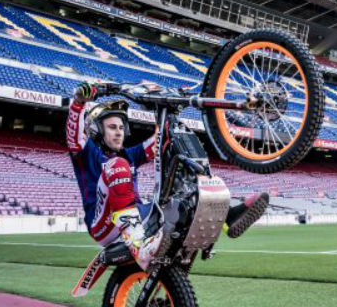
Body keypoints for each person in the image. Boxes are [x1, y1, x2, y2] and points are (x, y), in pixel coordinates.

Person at [66, 81, 268, 269]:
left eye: (121, 127)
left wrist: (167, 108)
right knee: (117, 165)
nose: (119, 132)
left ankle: (224, 216)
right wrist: (78, 102)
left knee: (179, 153)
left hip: (139, 214)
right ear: (95, 129)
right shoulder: (87, 152)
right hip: (103, 225)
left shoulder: (129, 154)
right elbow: (74, 136)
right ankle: (136, 242)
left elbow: (159, 141)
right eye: (112, 127)